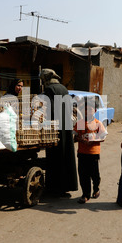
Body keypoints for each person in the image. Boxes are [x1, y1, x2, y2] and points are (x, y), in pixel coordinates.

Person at [41, 69, 78, 197]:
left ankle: (54, 189)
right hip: (66, 129)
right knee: (66, 157)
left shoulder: (49, 90)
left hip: (55, 130)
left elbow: (48, 111)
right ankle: (65, 188)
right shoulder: (63, 88)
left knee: (54, 159)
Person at [73, 97, 108, 204]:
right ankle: (85, 194)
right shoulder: (79, 123)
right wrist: (80, 139)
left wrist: (93, 140)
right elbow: (74, 137)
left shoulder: (98, 123)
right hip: (82, 153)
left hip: (93, 153)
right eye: (86, 109)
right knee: (83, 174)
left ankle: (96, 188)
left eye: (91, 109)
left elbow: (103, 137)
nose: (88, 111)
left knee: (95, 174)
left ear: (95, 111)